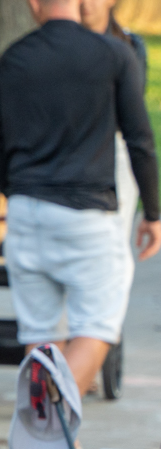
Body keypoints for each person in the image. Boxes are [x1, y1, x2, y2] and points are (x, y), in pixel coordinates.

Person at [0, 0, 161, 449]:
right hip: (88, 213)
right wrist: (153, 212)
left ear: (34, 4)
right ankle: (43, 424)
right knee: (98, 326)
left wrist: (17, 189)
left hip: (27, 213)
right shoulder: (114, 56)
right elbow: (139, 139)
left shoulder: (13, 58)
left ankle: (53, 440)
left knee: (41, 330)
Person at [81, 0, 150, 265]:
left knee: (112, 244)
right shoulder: (58, 44)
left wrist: (152, 211)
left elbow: (132, 119)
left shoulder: (130, 45)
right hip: (71, 149)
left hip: (114, 147)